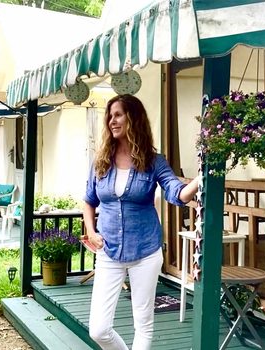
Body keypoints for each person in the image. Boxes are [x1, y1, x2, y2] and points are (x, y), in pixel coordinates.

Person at [83, 94, 198, 350]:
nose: (112, 121)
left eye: (118, 115)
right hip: (108, 251)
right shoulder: (100, 161)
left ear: (133, 118)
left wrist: (199, 180)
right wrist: (91, 231)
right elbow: (88, 200)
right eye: (110, 116)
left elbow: (175, 193)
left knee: (143, 323)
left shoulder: (154, 161)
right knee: (99, 330)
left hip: (145, 251)